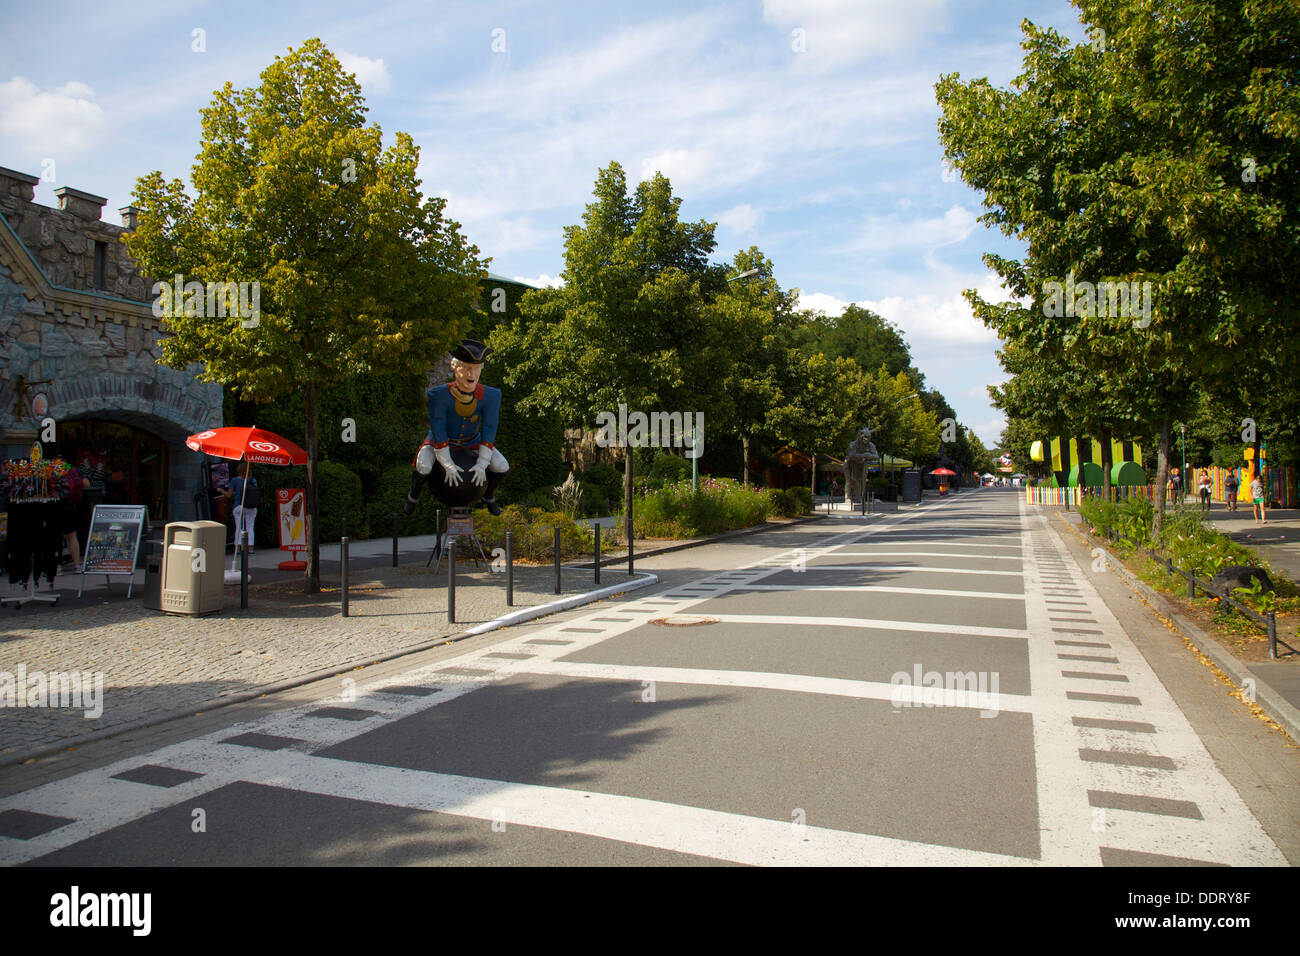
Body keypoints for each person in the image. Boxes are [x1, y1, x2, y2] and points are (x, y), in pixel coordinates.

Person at [404, 339, 510, 516]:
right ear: (455, 368)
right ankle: (413, 495)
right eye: (466, 368)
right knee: (423, 466)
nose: (472, 373)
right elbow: (438, 428)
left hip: (472, 441)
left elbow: (489, 427)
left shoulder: (491, 395)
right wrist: (448, 463)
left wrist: (483, 463)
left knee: (501, 466)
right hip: (442, 441)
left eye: (476, 368)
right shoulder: (438, 395)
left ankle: (488, 495)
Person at [223, 461, 260, 569]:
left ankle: (238, 548)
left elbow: (229, 495)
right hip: (252, 506)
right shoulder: (252, 480)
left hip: (239, 506)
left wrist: (221, 490)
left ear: (239, 470)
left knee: (239, 527)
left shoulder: (235, 480)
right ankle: (250, 548)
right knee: (250, 527)